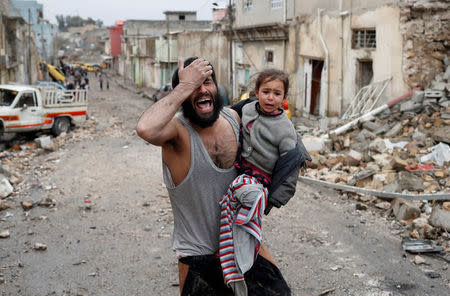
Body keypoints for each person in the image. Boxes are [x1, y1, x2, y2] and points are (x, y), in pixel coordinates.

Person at [136, 57, 295, 295]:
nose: (202, 89)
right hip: (200, 257)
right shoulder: (175, 133)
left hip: (242, 244)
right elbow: (145, 129)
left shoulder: (235, 119)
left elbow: (274, 123)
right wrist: (184, 85)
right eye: (193, 85)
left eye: (207, 82)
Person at [218, 69, 298, 295]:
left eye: (276, 93)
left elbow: (291, 168)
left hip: (260, 180)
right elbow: (225, 116)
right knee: (229, 217)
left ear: (284, 98)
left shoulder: (285, 129)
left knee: (248, 206)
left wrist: (273, 200)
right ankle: (233, 263)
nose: (270, 98)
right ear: (256, 93)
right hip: (239, 170)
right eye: (266, 92)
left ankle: (242, 267)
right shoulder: (247, 108)